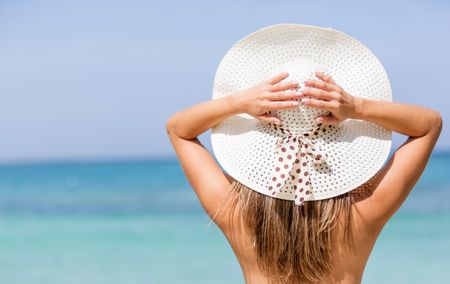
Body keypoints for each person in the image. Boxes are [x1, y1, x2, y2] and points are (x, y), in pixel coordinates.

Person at [166, 71, 443, 284]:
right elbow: (429, 125)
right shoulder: (361, 216)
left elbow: (179, 129)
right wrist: (357, 107)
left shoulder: (237, 214)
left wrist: (238, 102)